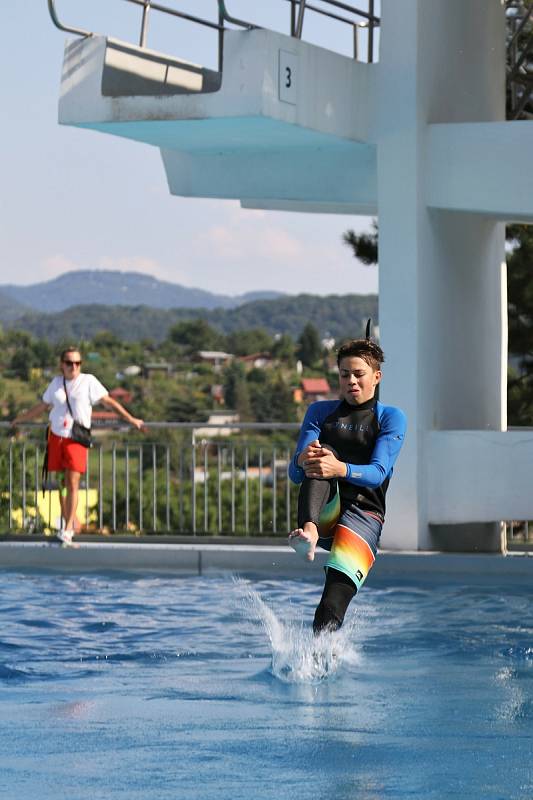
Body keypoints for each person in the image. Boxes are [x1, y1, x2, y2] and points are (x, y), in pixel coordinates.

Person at [288, 335, 406, 635]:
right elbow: (296, 473)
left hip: (364, 514)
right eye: (344, 374)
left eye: (359, 374)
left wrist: (339, 468)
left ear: (376, 377)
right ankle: (310, 534)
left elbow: (379, 472)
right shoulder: (319, 412)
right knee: (318, 457)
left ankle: (319, 661)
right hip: (324, 509)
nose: (351, 381)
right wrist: (304, 460)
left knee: (331, 604)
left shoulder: (390, 418)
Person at [12, 346, 144, 544]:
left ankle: (68, 529)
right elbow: (43, 406)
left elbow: (109, 402)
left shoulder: (88, 381)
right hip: (56, 436)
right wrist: (20, 419)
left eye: (77, 363)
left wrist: (130, 419)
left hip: (76, 438)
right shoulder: (56, 383)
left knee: (73, 482)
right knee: (61, 485)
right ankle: (66, 523)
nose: (73, 366)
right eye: (69, 363)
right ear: (61, 365)